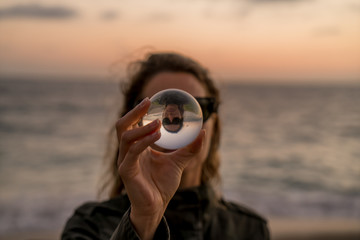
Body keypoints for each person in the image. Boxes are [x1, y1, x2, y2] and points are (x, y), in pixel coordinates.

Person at [61, 52, 270, 240]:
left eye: (196, 108)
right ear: (131, 124)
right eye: (156, 110)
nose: (176, 121)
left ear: (216, 128)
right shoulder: (89, 225)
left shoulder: (249, 229)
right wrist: (144, 218)